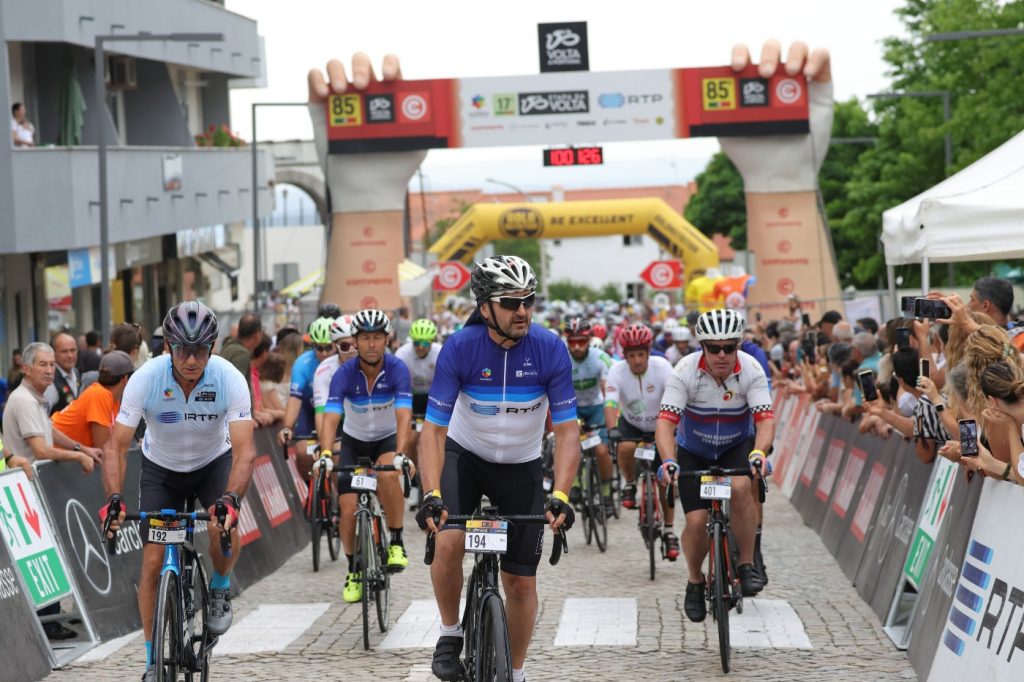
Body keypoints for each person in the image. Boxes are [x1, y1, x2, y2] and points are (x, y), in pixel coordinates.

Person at [415, 255, 579, 682]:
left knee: (522, 583)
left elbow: (566, 433)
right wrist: (432, 493)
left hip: (520, 468)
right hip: (465, 458)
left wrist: (561, 493)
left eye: (528, 301)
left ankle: (517, 672)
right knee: (449, 541)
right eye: (510, 302)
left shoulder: (550, 349)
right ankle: (451, 633)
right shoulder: (461, 348)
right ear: (485, 307)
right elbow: (432, 432)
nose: (522, 311)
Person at [100, 301, 255, 682]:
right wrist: (115, 498)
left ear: (213, 347)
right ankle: (153, 661)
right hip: (162, 472)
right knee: (152, 564)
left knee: (224, 530)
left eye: (200, 350)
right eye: (182, 349)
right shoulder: (146, 377)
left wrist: (231, 501)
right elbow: (115, 447)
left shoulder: (229, 378)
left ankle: (218, 588)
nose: (190, 359)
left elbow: (245, 451)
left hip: (211, 465)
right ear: (167, 346)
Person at [656, 309, 775, 623]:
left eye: (729, 347)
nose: (722, 355)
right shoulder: (684, 370)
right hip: (694, 451)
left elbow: (765, 420)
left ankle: (747, 564)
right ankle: (695, 582)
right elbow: (665, 424)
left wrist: (760, 452)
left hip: (736, 447)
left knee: (740, 488)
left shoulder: (751, 369)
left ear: (738, 345)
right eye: (714, 348)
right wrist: (669, 461)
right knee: (696, 524)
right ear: (702, 347)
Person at [3, 342, 102, 642]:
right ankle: (48, 621)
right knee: (41, 555)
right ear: (26, 368)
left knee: (48, 552)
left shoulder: (37, 399)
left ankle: (53, 616)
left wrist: (81, 446)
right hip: (26, 490)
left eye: (50, 364)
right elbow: (41, 448)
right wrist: (80, 457)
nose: (49, 370)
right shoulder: (22, 400)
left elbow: (50, 431)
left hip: (36, 488)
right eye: (42, 365)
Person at [319, 309, 414, 602]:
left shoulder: (397, 369)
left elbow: (403, 416)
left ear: (387, 339)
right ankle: (353, 568)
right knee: (347, 508)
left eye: (377, 338)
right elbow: (331, 418)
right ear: (356, 342)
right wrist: (324, 454)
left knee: (388, 475)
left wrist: (400, 453)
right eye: (365, 338)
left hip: (385, 440)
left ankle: (396, 540)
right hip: (354, 442)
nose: (371, 344)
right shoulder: (343, 375)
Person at [604, 322, 678, 556]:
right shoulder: (616, 370)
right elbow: (610, 403)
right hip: (632, 424)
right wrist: (610, 428)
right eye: (632, 355)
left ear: (648, 352)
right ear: (624, 355)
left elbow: (677, 398)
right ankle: (629, 483)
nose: (637, 360)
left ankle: (668, 531)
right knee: (624, 446)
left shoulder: (663, 366)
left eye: (641, 354)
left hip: (661, 426)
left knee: (666, 480)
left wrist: (678, 427)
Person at [563, 316, 615, 515]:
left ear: (589, 340)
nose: (576, 347)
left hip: (595, 407)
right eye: (572, 342)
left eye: (581, 342)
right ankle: (574, 484)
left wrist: (612, 418)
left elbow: (608, 390)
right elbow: (557, 391)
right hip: (571, 407)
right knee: (571, 445)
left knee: (601, 451)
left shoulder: (600, 358)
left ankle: (606, 492)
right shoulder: (561, 358)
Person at [51, 350, 133, 448]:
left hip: (61, 455)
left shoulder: (111, 397)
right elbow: (103, 448)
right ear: (125, 379)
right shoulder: (100, 395)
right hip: (47, 450)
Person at [394, 318, 442, 487]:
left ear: (431, 342)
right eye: (416, 343)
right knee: (411, 439)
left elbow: (445, 384)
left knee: (435, 437)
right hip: (411, 397)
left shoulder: (440, 352)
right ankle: (413, 482)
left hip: (432, 396)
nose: (420, 347)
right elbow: (399, 385)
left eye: (424, 343)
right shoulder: (402, 354)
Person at [277, 317, 337, 447]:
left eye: (328, 347)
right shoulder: (302, 363)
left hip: (339, 414)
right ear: (312, 346)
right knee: (302, 451)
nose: (324, 353)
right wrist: (287, 427)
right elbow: (294, 399)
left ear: (337, 345)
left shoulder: (344, 361)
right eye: (319, 348)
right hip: (310, 411)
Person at [219, 312, 274, 426]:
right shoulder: (241, 353)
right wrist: (245, 418)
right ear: (257, 334)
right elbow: (237, 390)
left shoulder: (231, 346)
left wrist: (253, 414)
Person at [311, 315, 357, 434]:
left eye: (355, 345)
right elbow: (321, 415)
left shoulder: (375, 363)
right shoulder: (324, 370)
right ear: (336, 346)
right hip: (342, 423)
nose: (352, 350)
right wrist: (325, 450)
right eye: (345, 346)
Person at [45, 332, 81, 414]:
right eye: (64, 351)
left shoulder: (75, 372)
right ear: (53, 353)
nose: (70, 355)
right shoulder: (49, 380)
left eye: (73, 350)